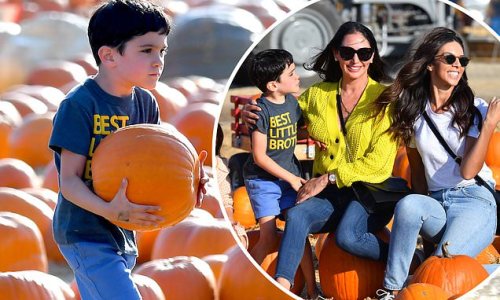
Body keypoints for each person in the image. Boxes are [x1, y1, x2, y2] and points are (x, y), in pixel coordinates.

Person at [48, 1, 207, 299]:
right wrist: (109, 209)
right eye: (146, 50)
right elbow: (68, 181)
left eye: (162, 50)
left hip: (123, 229)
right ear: (109, 55)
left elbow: (157, 168)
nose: (158, 60)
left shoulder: (146, 104)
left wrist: (191, 181)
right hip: (84, 231)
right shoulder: (80, 105)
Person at [242, 21, 397, 294]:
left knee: (348, 236)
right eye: (347, 52)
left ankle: (405, 258)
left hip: (370, 191)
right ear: (336, 54)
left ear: (373, 55)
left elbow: (379, 163)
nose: (355, 60)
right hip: (332, 194)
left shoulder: (385, 99)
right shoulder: (316, 95)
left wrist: (327, 178)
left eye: (363, 53)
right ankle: (283, 287)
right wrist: (251, 111)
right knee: (297, 214)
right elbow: (277, 109)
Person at [372, 27, 499, 299]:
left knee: (444, 268)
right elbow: (418, 175)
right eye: (450, 59)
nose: (457, 65)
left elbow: (468, 170)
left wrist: (489, 125)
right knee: (408, 205)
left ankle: (489, 275)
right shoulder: (413, 113)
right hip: (438, 202)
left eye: (462, 61)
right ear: (430, 64)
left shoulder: (474, 108)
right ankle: (392, 289)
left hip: (474, 201)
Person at [242, 49, 319, 299]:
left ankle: (312, 289)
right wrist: (290, 178)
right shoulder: (260, 111)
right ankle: (246, 284)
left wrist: (317, 138)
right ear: (273, 84)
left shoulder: (292, 103)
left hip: (289, 176)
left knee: (297, 229)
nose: (298, 77)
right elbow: (259, 157)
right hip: (263, 181)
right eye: (292, 73)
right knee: (267, 237)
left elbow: (298, 130)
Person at [215, 123, 249, 249]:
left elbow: (226, 200)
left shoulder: (218, 165)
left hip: (219, 222)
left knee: (238, 241)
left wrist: (231, 223)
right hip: (199, 222)